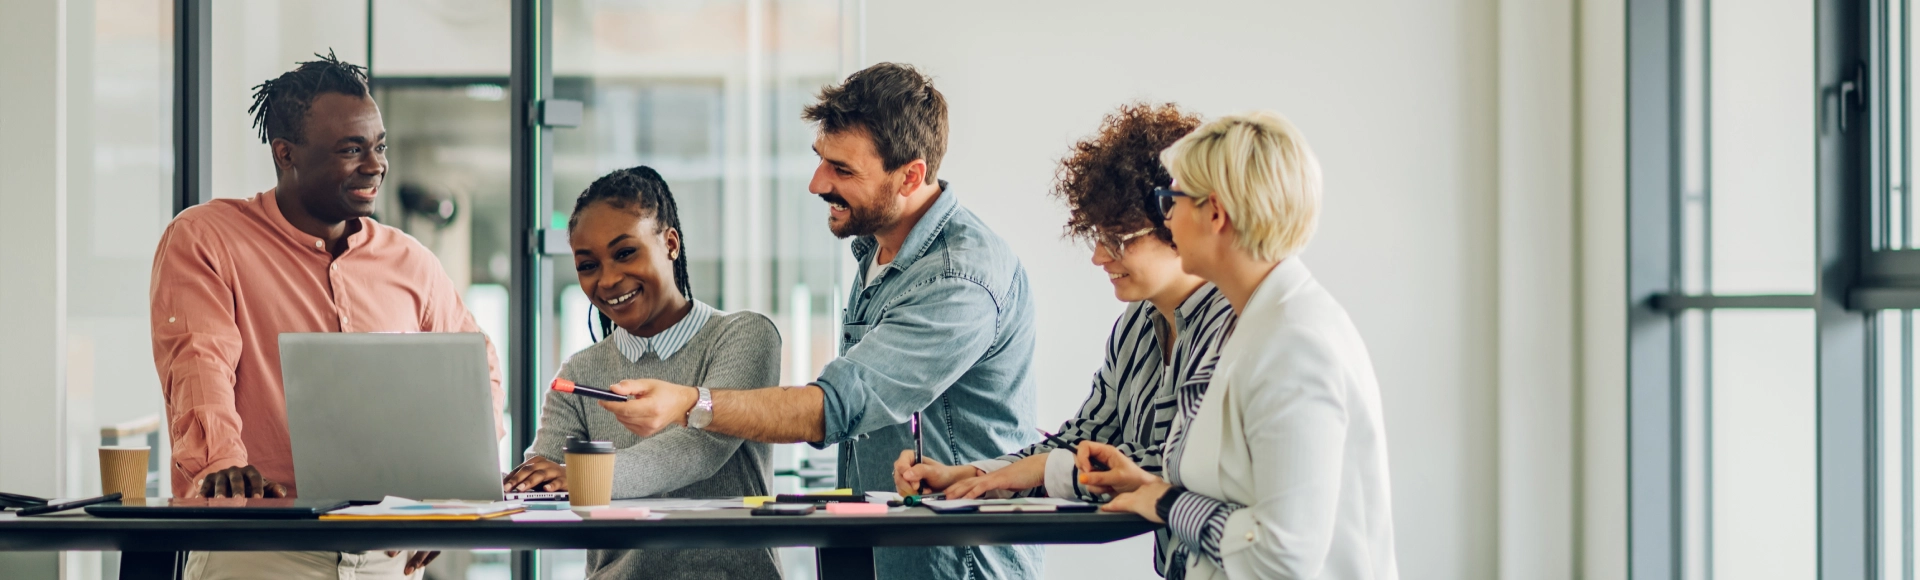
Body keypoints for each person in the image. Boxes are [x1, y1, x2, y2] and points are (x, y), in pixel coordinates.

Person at [578, 62, 1043, 579]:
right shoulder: (879, 248)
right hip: (881, 546)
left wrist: (690, 401)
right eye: (821, 160)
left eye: (842, 170)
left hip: (956, 560)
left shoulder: (958, 279)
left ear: (910, 175)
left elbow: (833, 407)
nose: (817, 183)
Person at [149, 52, 503, 580]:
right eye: (351, 149)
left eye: (379, 146)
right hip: (262, 547)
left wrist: (445, 497)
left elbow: (477, 377)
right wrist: (222, 467)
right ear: (286, 153)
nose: (376, 164)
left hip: (388, 555)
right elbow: (200, 366)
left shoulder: (410, 261)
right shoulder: (208, 238)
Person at [889, 103, 1233, 577]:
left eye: (1119, 238)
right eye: (1096, 235)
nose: (1098, 256)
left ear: (1173, 221)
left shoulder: (1232, 326)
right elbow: (1085, 439)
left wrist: (1038, 471)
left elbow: (1167, 469)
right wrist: (976, 476)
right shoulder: (1137, 324)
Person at [1078, 112, 1400, 579]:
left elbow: (1281, 552)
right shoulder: (1258, 323)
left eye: (1171, 199)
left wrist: (1168, 503)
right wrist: (1150, 486)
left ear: (1215, 213)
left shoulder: (1295, 344)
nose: (1165, 218)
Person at [501, 166, 783, 580]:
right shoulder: (580, 371)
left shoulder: (744, 336)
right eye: (588, 265)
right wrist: (532, 482)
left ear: (670, 243)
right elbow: (547, 471)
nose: (609, 279)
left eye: (625, 252)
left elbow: (698, 450)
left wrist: (578, 476)